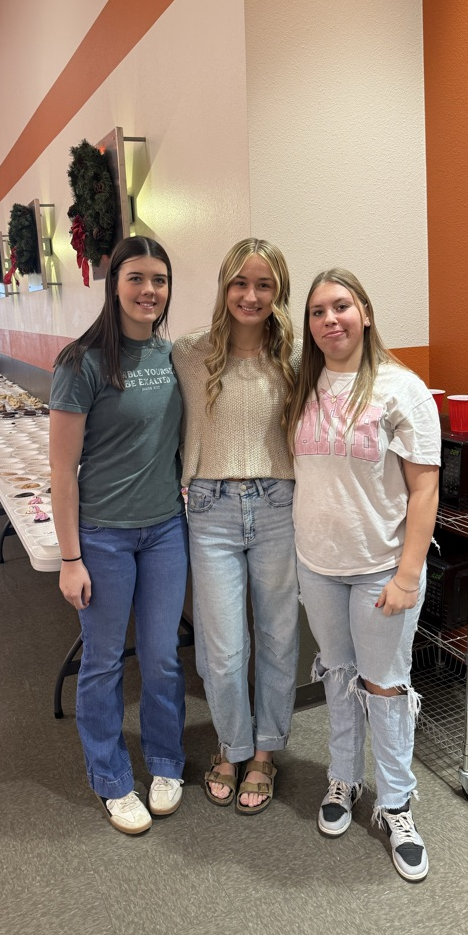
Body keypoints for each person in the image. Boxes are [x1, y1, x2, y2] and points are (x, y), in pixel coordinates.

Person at [288, 268, 440, 881]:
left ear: (366, 313)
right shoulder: (302, 386)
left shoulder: (402, 389)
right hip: (318, 565)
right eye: (318, 311)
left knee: (384, 686)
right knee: (338, 674)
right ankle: (344, 778)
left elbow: (424, 490)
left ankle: (396, 803)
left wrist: (408, 575)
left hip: (382, 568)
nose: (330, 320)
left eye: (342, 306)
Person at [49, 236, 188, 836]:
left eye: (159, 279)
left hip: (166, 531)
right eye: (136, 278)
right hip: (103, 536)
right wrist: (70, 558)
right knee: (103, 663)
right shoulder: (81, 363)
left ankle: (165, 761)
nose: (148, 290)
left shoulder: (174, 357)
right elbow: (61, 471)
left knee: (161, 658)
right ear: (114, 285)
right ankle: (109, 777)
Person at [172, 238, 301, 814]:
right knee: (223, 649)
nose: (251, 295)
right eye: (240, 283)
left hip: (278, 505)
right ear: (224, 286)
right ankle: (231, 745)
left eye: (264, 285)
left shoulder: (295, 358)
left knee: (278, 638)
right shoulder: (188, 353)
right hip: (211, 508)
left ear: (279, 292)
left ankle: (264, 752)